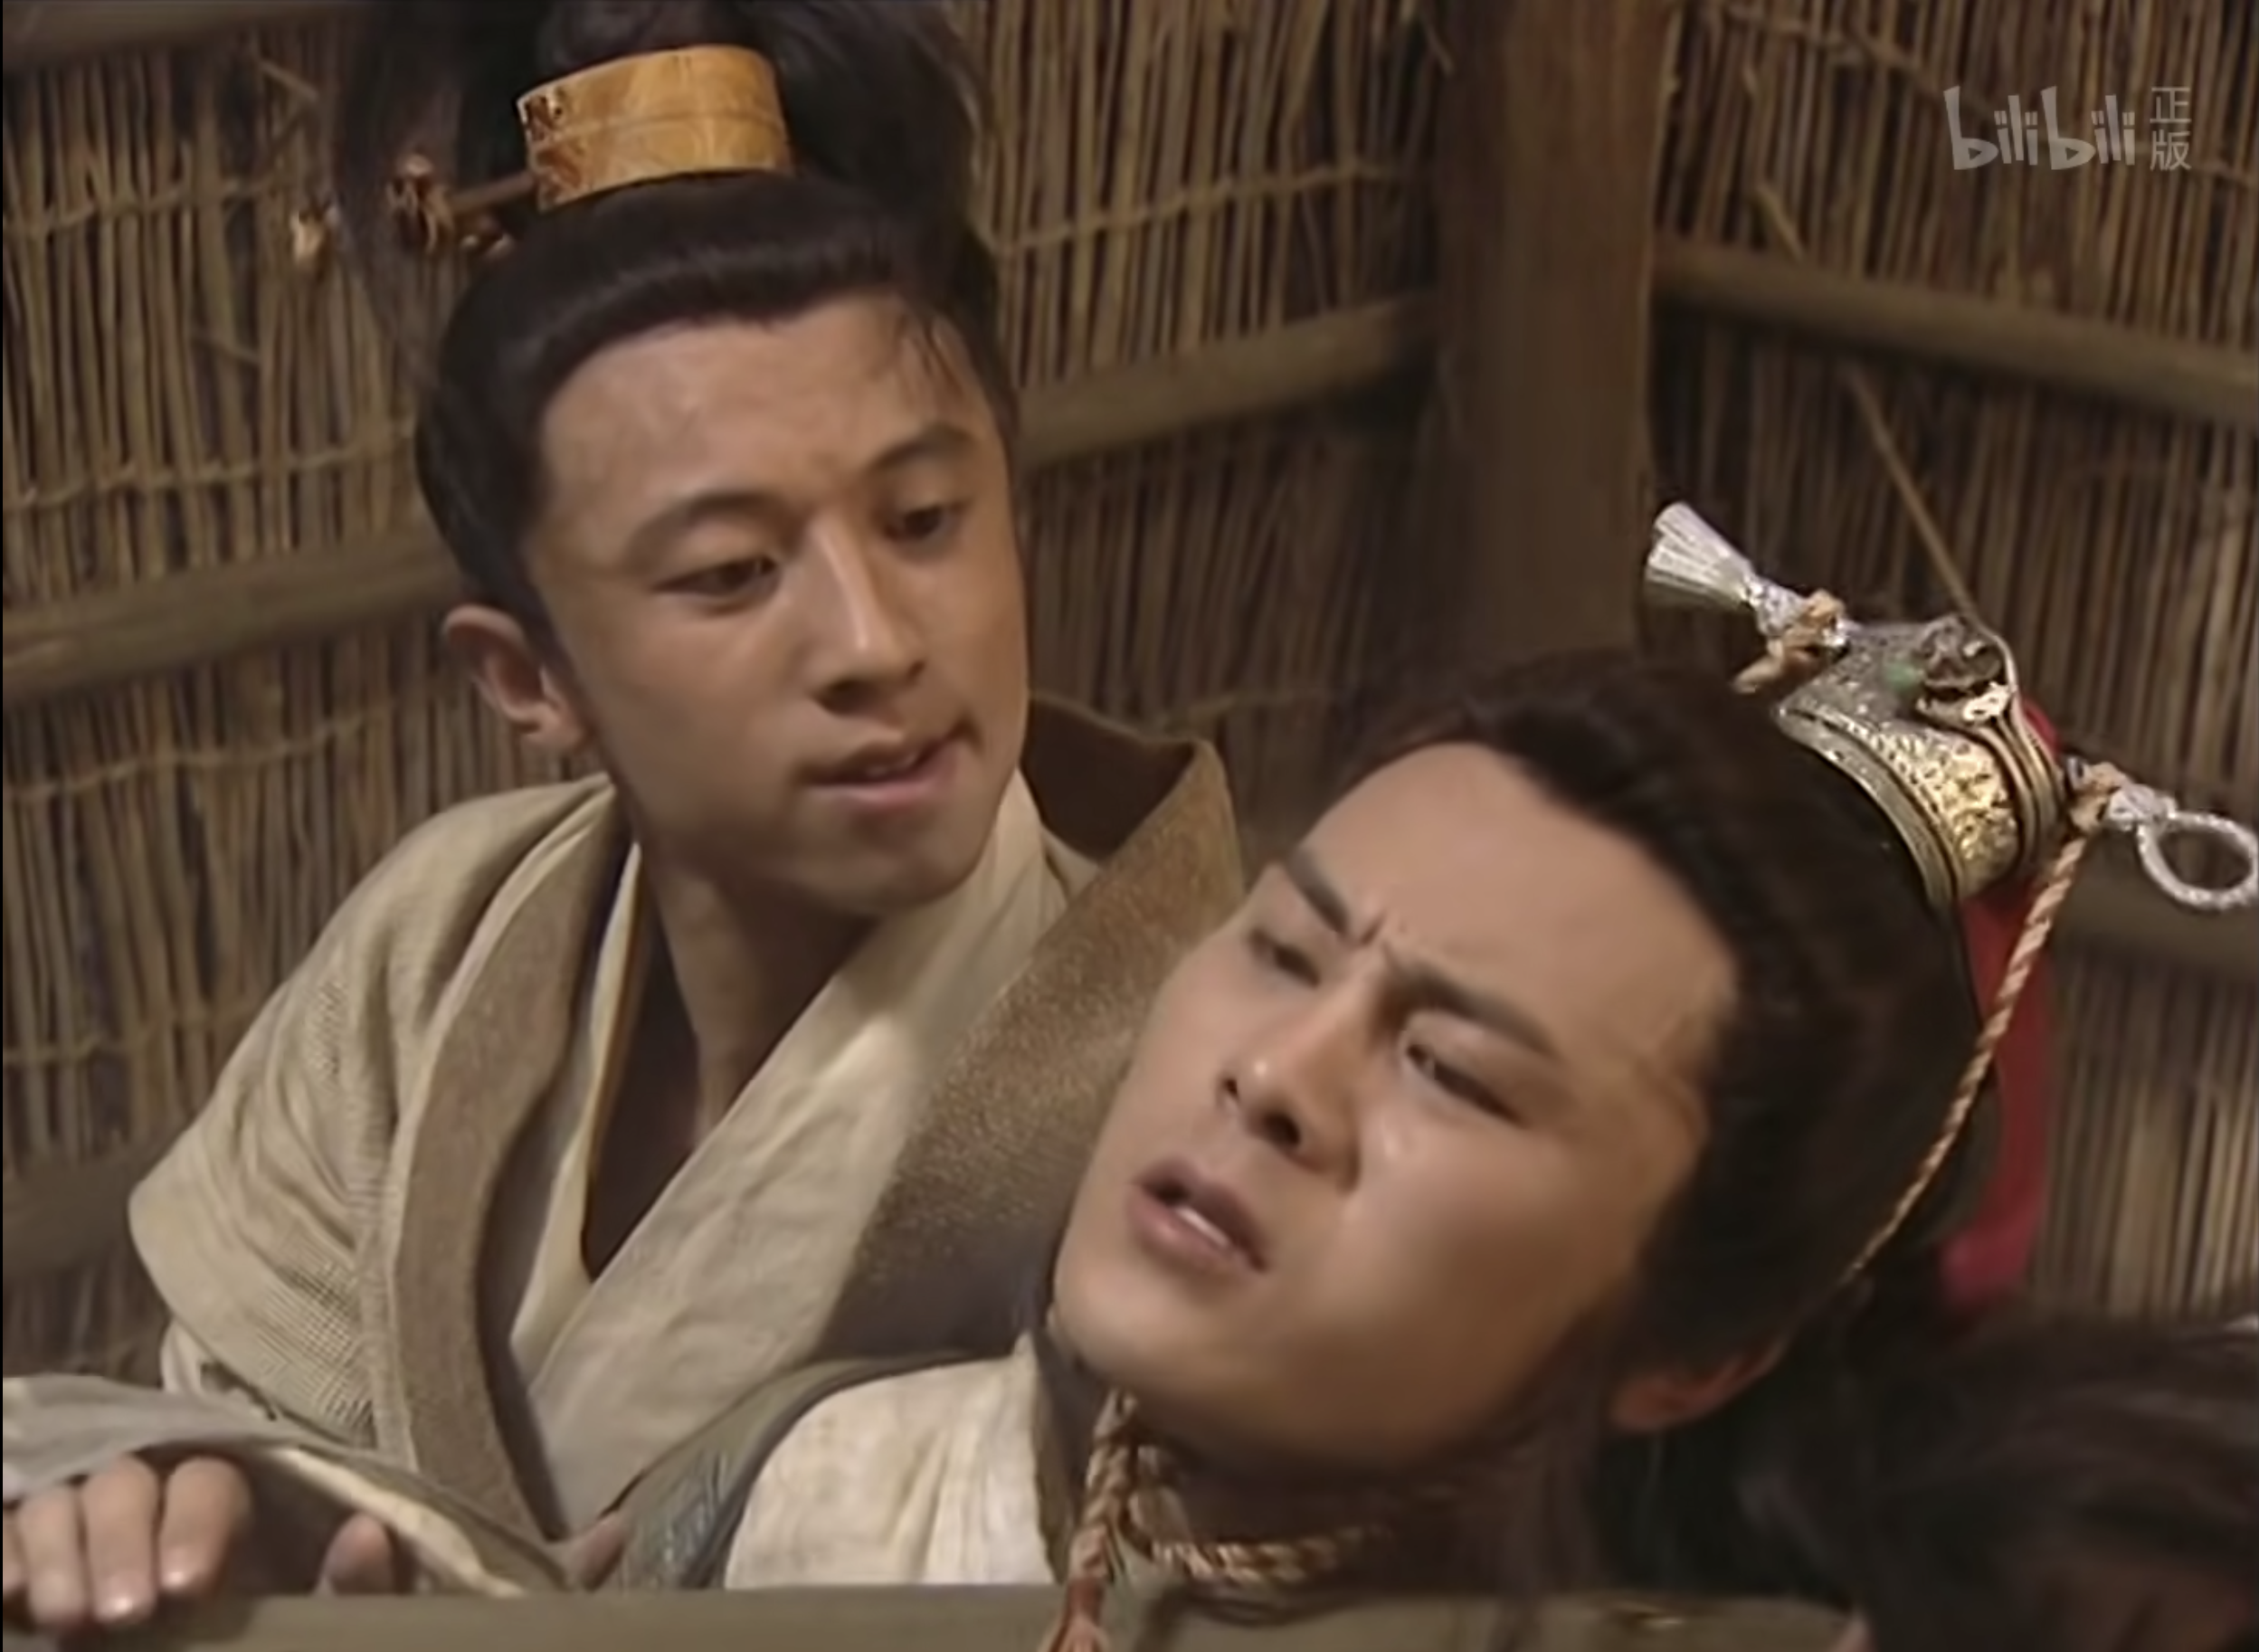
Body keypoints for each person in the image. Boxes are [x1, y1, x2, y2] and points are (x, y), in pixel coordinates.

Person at [0, 1, 1244, 1635]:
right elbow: (231, 1419)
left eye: (927, 516)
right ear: (531, 679)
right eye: (731, 570)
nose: (876, 642)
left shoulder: (1201, 1085)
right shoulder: (425, 966)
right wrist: (190, 1504)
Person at [599, 565, 2252, 1649]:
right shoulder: (805, 1485)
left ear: (1692, 1353)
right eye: (1283, 952)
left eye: (1450, 1069)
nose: (1275, 1079)